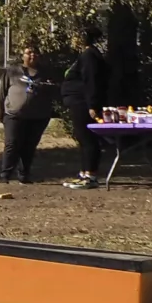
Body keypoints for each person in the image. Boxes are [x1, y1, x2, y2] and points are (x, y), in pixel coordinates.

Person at [0, 41, 59, 183]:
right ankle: (5, 175)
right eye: (29, 53)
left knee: (29, 146)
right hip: (14, 115)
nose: (32, 55)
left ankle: (24, 175)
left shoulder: (45, 73)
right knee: (12, 144)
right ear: (23, 56)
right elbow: (0, 93)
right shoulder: (12, 72)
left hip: (38, 116)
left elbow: (54, 92)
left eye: (35, 53)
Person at [59, 24, 109, 187]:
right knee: (82, 138)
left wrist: (93, 105)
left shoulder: (89, 55)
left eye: (76, 36)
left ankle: (90, 176)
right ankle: (84, 172)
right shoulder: (86, 55)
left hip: (84, 103)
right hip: (77, 102)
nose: (73, 39)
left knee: (88, 138)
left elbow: (91, 81)